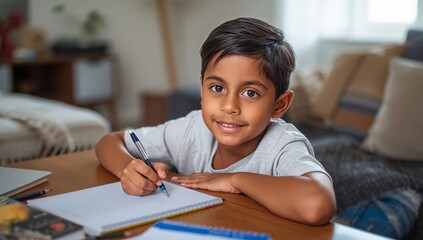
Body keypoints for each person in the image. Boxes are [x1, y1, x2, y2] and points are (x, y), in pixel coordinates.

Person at [96, 17, 336, 225]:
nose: (229, 106)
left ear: (279, 104)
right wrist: (127, 169)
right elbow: (109, 141)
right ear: (202, 88)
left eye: (250, 93)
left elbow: (317, 204)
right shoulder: (193, 129)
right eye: (218, 87)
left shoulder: (283, 145)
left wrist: (235, 180)